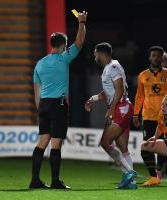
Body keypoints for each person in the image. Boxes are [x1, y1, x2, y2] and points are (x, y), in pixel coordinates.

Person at [30, 11, 87, 189]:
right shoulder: (64, 58)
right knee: (56, 142)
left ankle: (35, 180)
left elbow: (36, 90)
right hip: (58, 104)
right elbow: (80, 42)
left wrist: (39, 109)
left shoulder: (39, 63)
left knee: (42, 141)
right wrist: (82, 22)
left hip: (44, 104)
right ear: (63, 46)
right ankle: (55, 181)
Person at [84, 42, 137, 189]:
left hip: (120, 109)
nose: (95, 56)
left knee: (105, 142)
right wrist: (92, 99)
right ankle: (131, 183)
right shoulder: (109, 68)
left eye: (95, 53)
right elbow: (108, 92)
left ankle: (129, 173)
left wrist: (112, 109)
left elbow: (119, 90)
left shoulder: (113, 67)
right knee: (123, 148)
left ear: (101, 53)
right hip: (122, 108)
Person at [133, 46, 167, 180]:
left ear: (162, 58)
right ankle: (153, 175)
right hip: (147, 116)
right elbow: (139, 96)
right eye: (154, 55)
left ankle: (158, 171)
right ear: (150, 57)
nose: (156, 58)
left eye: (159, 56)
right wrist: (136, 114)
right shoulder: (142, 75)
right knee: (147, 146)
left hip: (164, 117)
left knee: (164, 146)